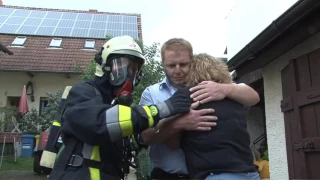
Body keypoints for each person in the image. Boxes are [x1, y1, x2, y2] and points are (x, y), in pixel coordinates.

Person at [48, 36, 194, 180]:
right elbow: (98, 124)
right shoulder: (84, 92)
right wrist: (165, 108)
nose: (128, 74)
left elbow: (130, 142)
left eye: (133, 69)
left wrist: (145, 135)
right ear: (105, 66)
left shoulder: (117, 105)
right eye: (121, 66)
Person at [139, 38, 260, 180]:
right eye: (171, 65)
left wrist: (225, 89)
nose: (178, 70)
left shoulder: (217, 88)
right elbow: (144, 137)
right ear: (163, 64)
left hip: (210, 174)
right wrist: (179, 123)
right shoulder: (152, 94)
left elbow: (254, 97)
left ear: (193, 61)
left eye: (183, 64)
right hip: (171, 176)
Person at [169, 53, 260, 180]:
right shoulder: (234, 95)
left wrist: (177, 124)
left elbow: (172, 144)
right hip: (250, 174)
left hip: (216, 174)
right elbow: (254, 98)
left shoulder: (187, 95)